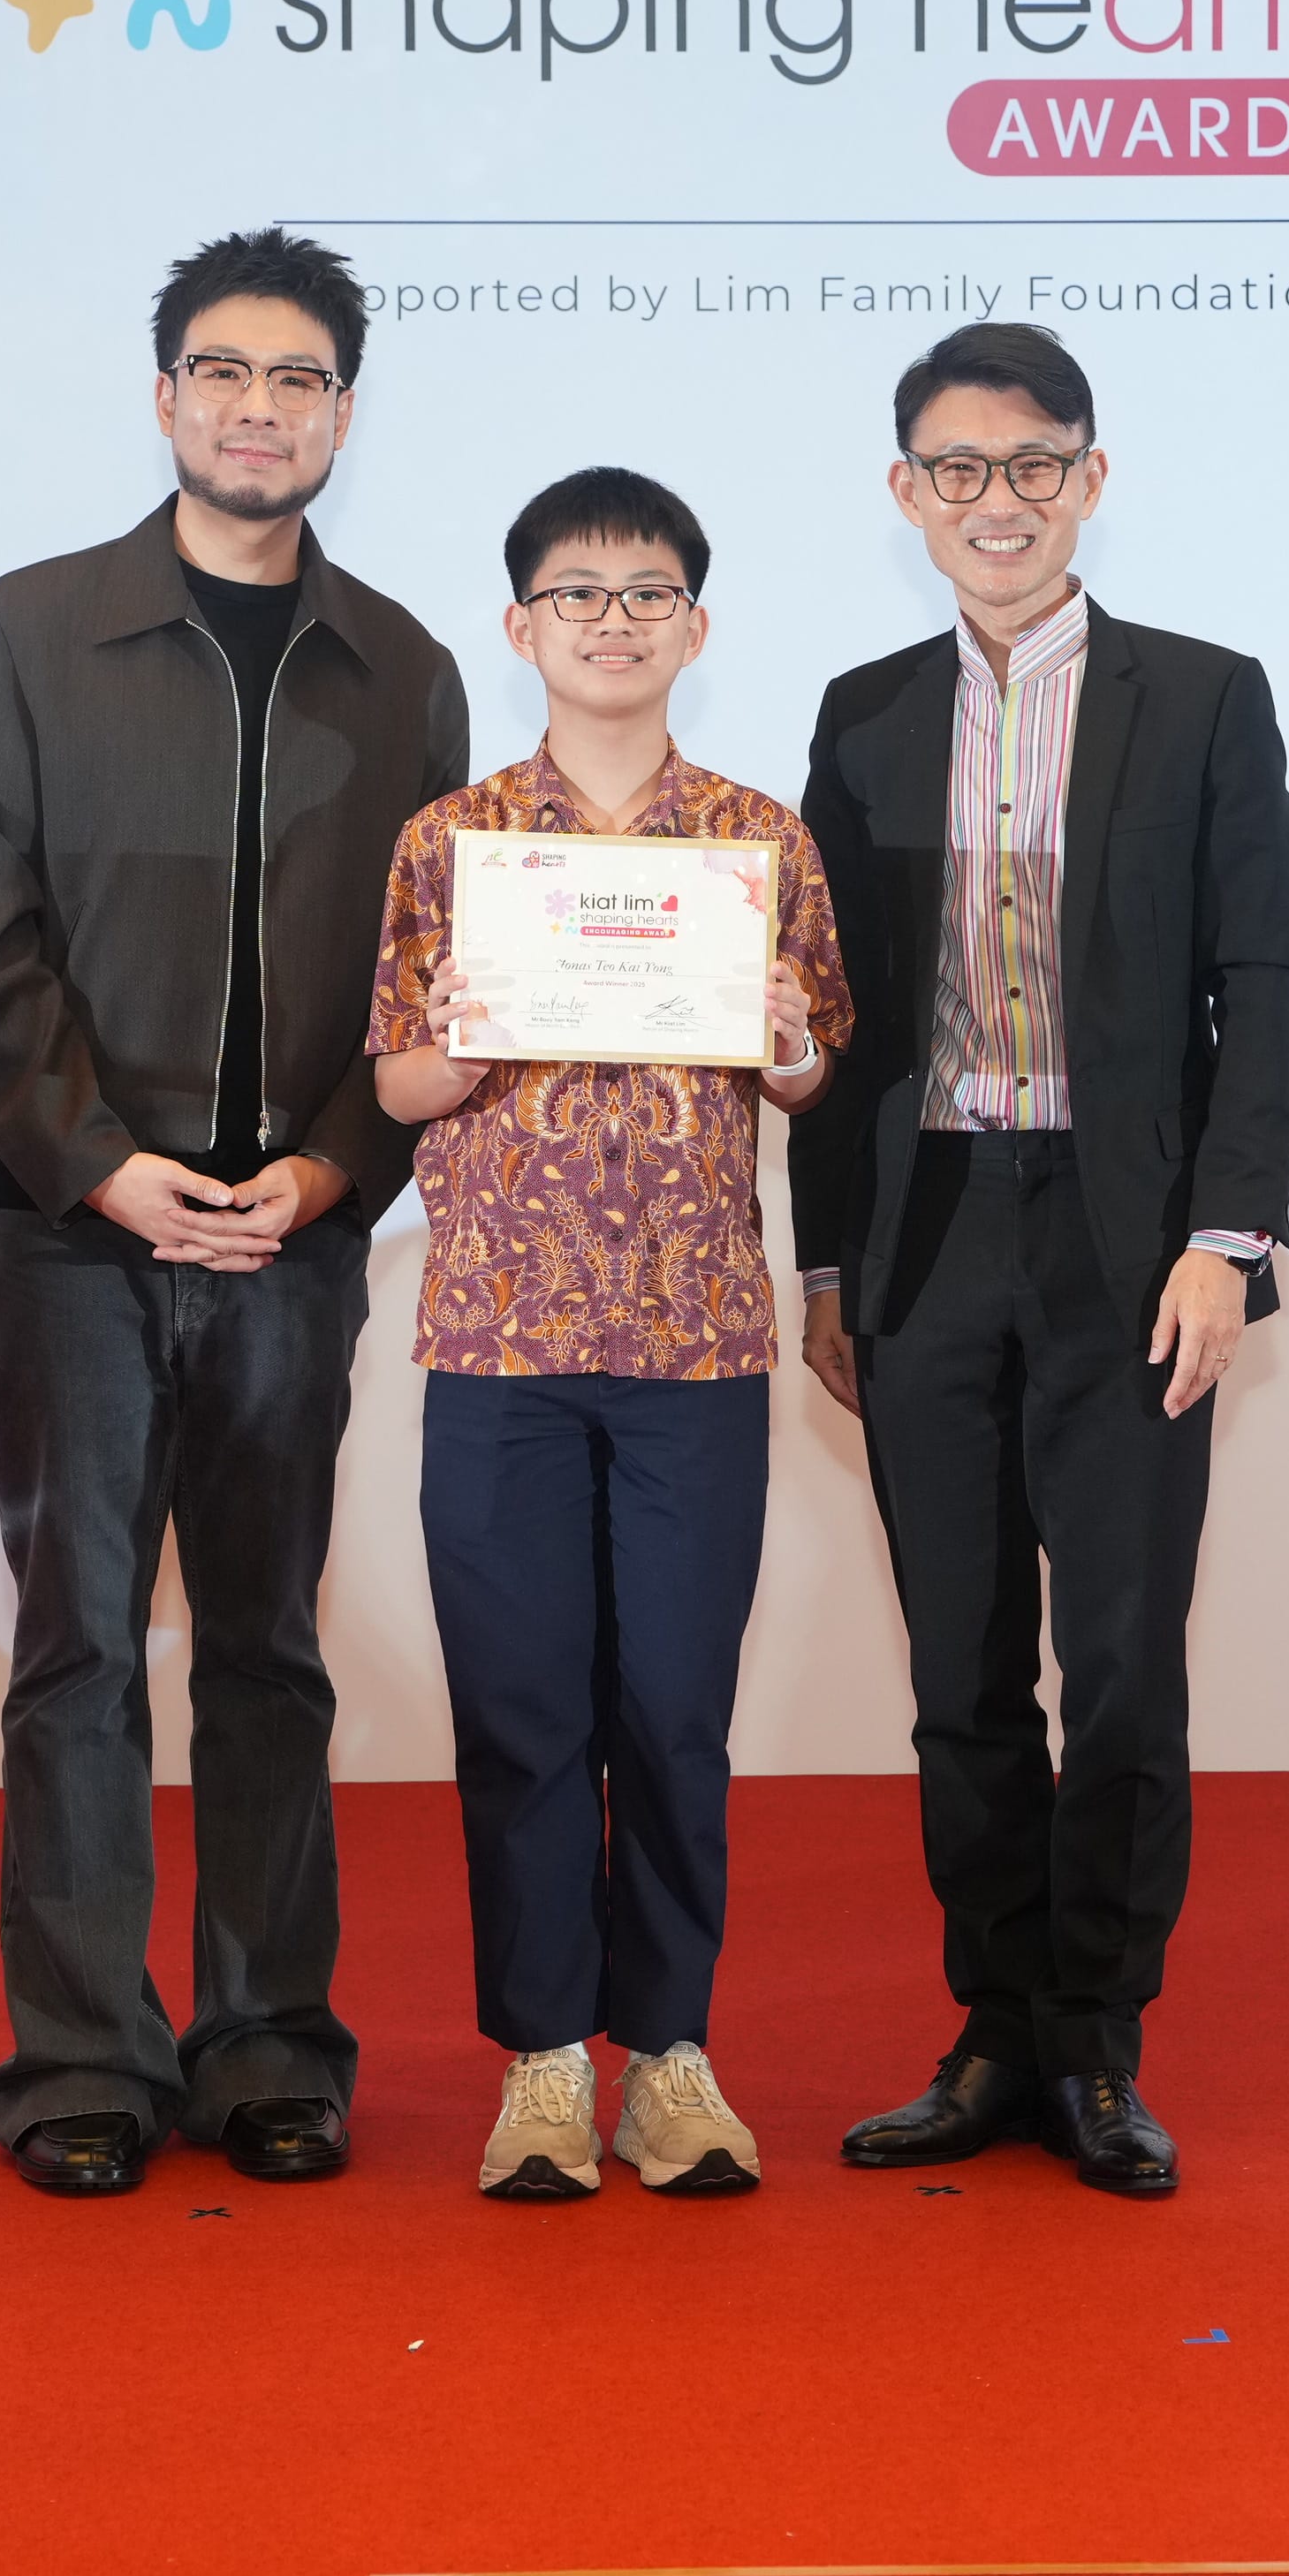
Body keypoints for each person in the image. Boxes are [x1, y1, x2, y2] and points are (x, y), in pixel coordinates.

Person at [0, 225, 468, 2199]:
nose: (260, 409)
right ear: (165, 397)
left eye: (299, 380)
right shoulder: (33, 630)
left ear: (343, 414)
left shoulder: (405, 669)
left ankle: (268, 2047)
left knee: (266, 1651)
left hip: (294, 1242)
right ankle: (80, 2057)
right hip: (77, 1231)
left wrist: (330, 1171)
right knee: (77, 1649)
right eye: (225, 373)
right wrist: (97, 1161)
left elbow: (431, 979)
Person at [791, 322, 1289, 2200]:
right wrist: (826, 1265)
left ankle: (1096, 2045)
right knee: (958, 1675)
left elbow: (1261, 979)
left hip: (1125, 1242)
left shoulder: (1205, 697)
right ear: (906, 491)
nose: (993, 501)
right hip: (926, 1233)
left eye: (1030, 467)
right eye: (957, 469)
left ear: (1090, 479)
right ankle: (995, 2032)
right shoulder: (861, 712)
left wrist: (1224, 1242)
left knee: (1122, 1669)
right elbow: (832, 1011)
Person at [368, 468, 851, 2200]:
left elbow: (810, 1073)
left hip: (695, 1346)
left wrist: (784, 1036)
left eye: (648, 593)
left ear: (696, 629)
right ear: (523, 628)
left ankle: (673, 2059)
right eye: (577, 593)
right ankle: (545, 2064)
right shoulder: (453, 842)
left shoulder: (756, 841)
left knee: (671, 1714)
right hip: (499, 1341)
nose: (613, 621)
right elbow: (397, 1084)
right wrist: (464, 1041)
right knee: (520, 1715)